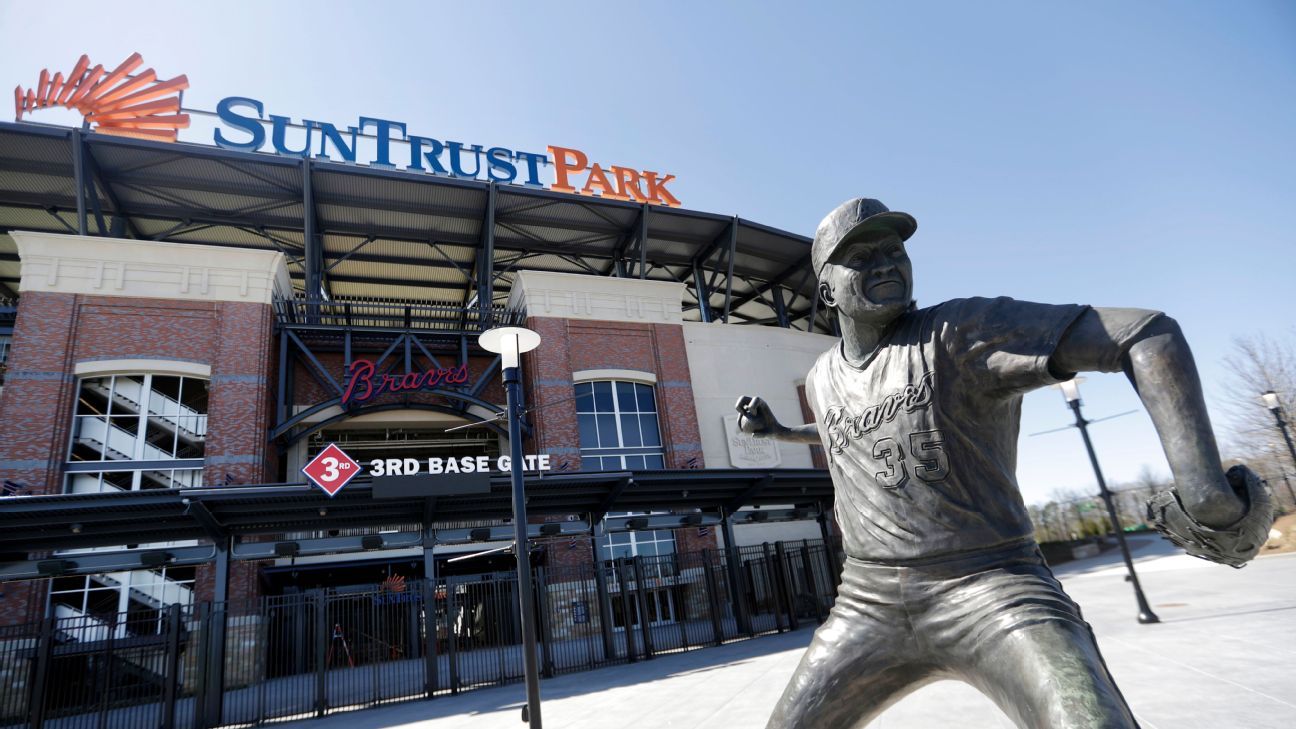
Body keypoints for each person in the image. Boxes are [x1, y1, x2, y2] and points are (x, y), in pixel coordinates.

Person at [735, 198, 1273, 729]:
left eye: (894, 250)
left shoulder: (960, 330)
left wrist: (1205, 491)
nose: (885, 263)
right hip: (865, 603)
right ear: (826, 288)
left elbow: (1144, 334)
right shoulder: (824, 377)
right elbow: (845, 433)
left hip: (991, 584)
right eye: (861, 256)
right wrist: (779, 430)